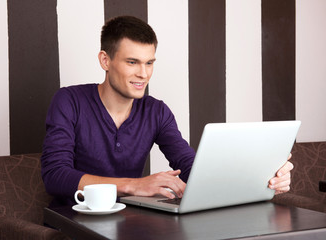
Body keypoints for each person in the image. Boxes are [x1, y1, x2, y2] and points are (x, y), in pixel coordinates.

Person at [41, 16, 293, 206]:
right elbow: (55, 176)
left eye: (149, 62)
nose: (144, 74)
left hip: (130, 223)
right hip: (74, 222)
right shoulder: (69, 100)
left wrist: (263, 179)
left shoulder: (156, 111)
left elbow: (191, 167)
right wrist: (136, 185)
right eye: (132, 62)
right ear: (105, 60)